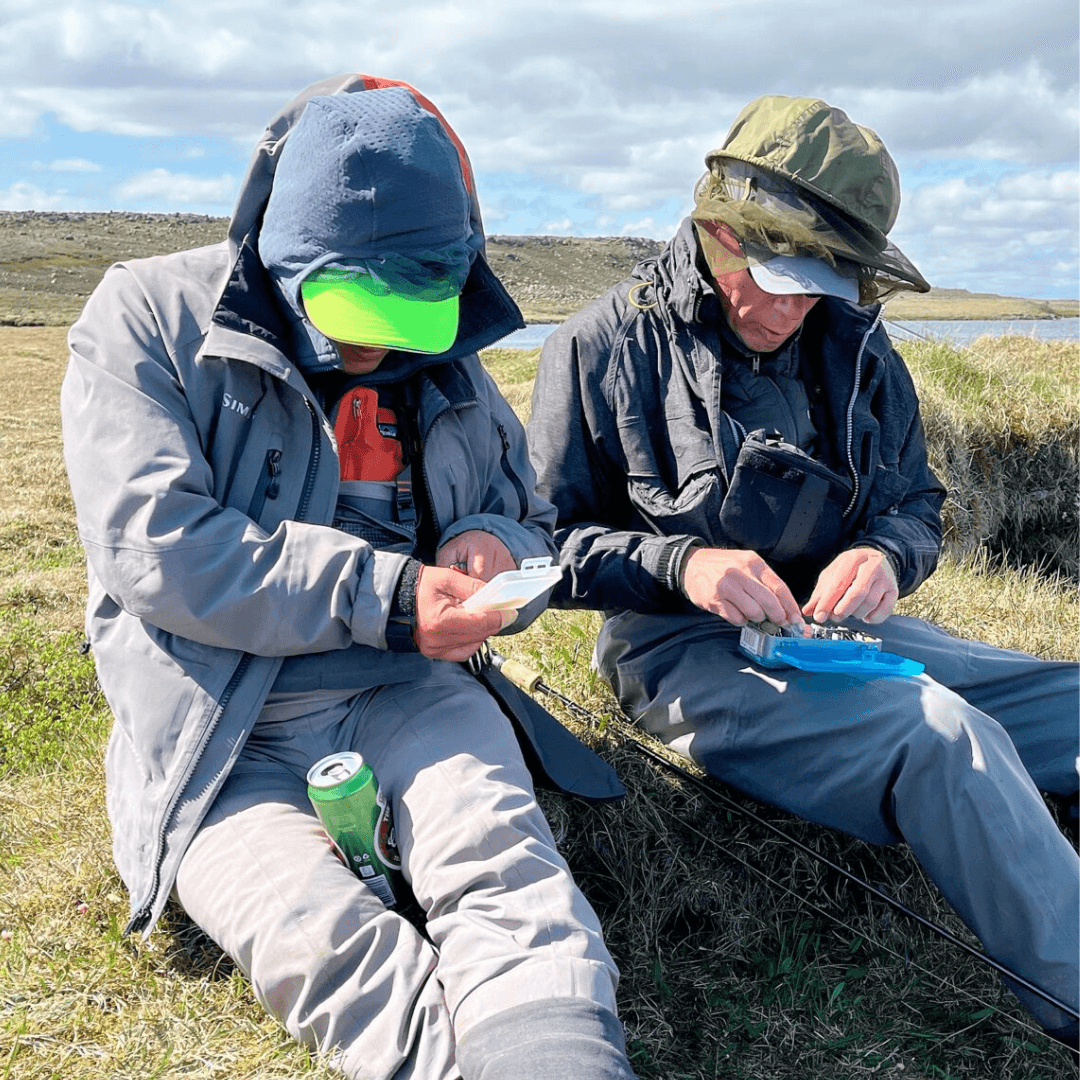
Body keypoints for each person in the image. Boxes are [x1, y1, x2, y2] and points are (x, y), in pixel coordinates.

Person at [61, 75, 638, 1080]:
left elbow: (533, 521)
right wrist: (390, 595)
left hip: (409, 692)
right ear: (285, 252)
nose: (377, 343)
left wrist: (498, 550)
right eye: (351, 305)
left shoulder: (448, 357)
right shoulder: (145, 317)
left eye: (410, 311)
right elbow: (156, 546)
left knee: (507, 865)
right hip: (216, 734)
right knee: (320, 941)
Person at [527, 95, 1079, 1047]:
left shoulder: (858, 344)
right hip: (678, 648)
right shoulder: (598, 345)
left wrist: (884, 555)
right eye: (780, 274)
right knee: (945, 738)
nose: (794, 305)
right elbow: (537, 551)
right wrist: (682, 565)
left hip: (837, 635)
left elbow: (917, 503)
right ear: (720, 230)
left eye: (823, 280)